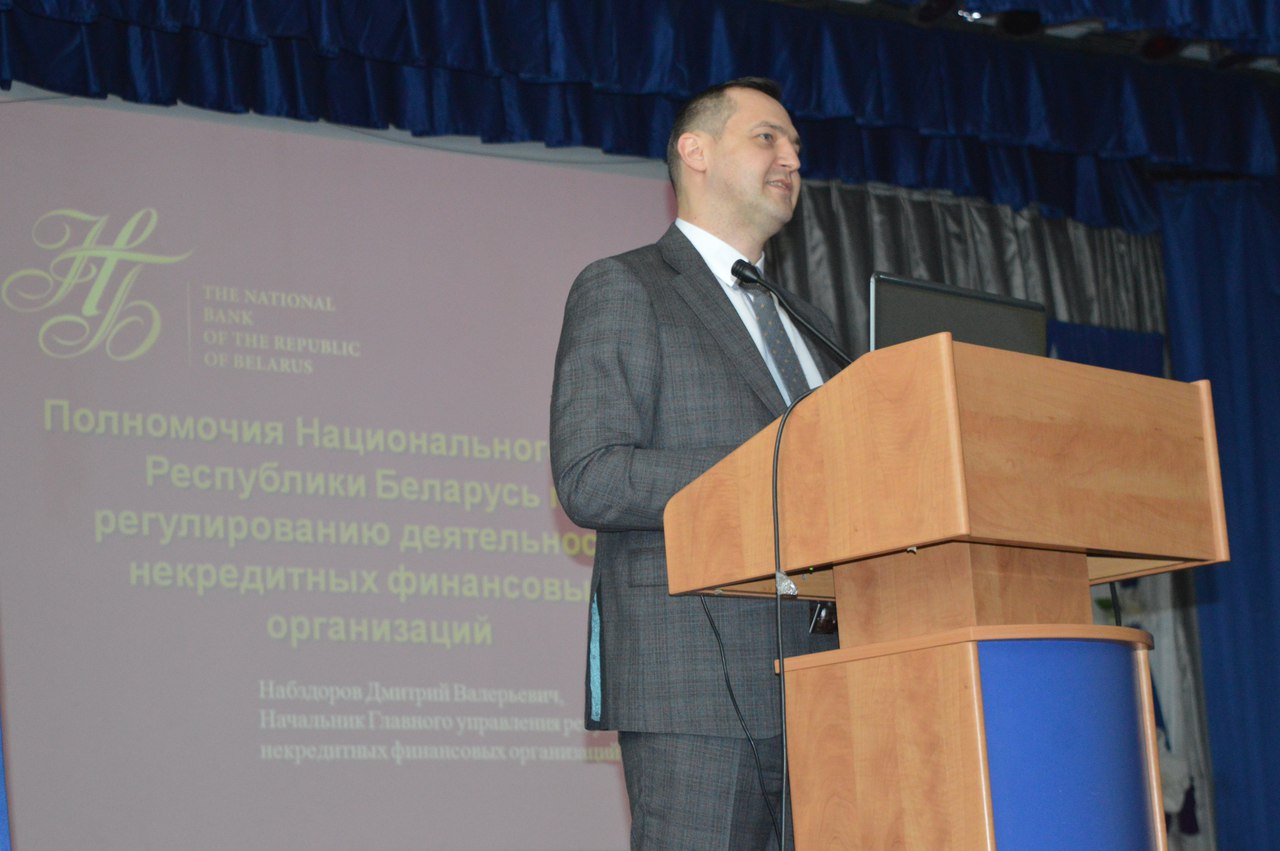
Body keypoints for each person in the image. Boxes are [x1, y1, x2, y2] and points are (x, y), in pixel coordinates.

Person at [550, 78, 842, 850]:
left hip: (831, 684)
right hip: (694, 687)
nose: (792, 159)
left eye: (797, 146)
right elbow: (591, 474)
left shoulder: (810, 324)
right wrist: (769, 472)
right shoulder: (626, 286)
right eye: (767, 138)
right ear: (695, 151)